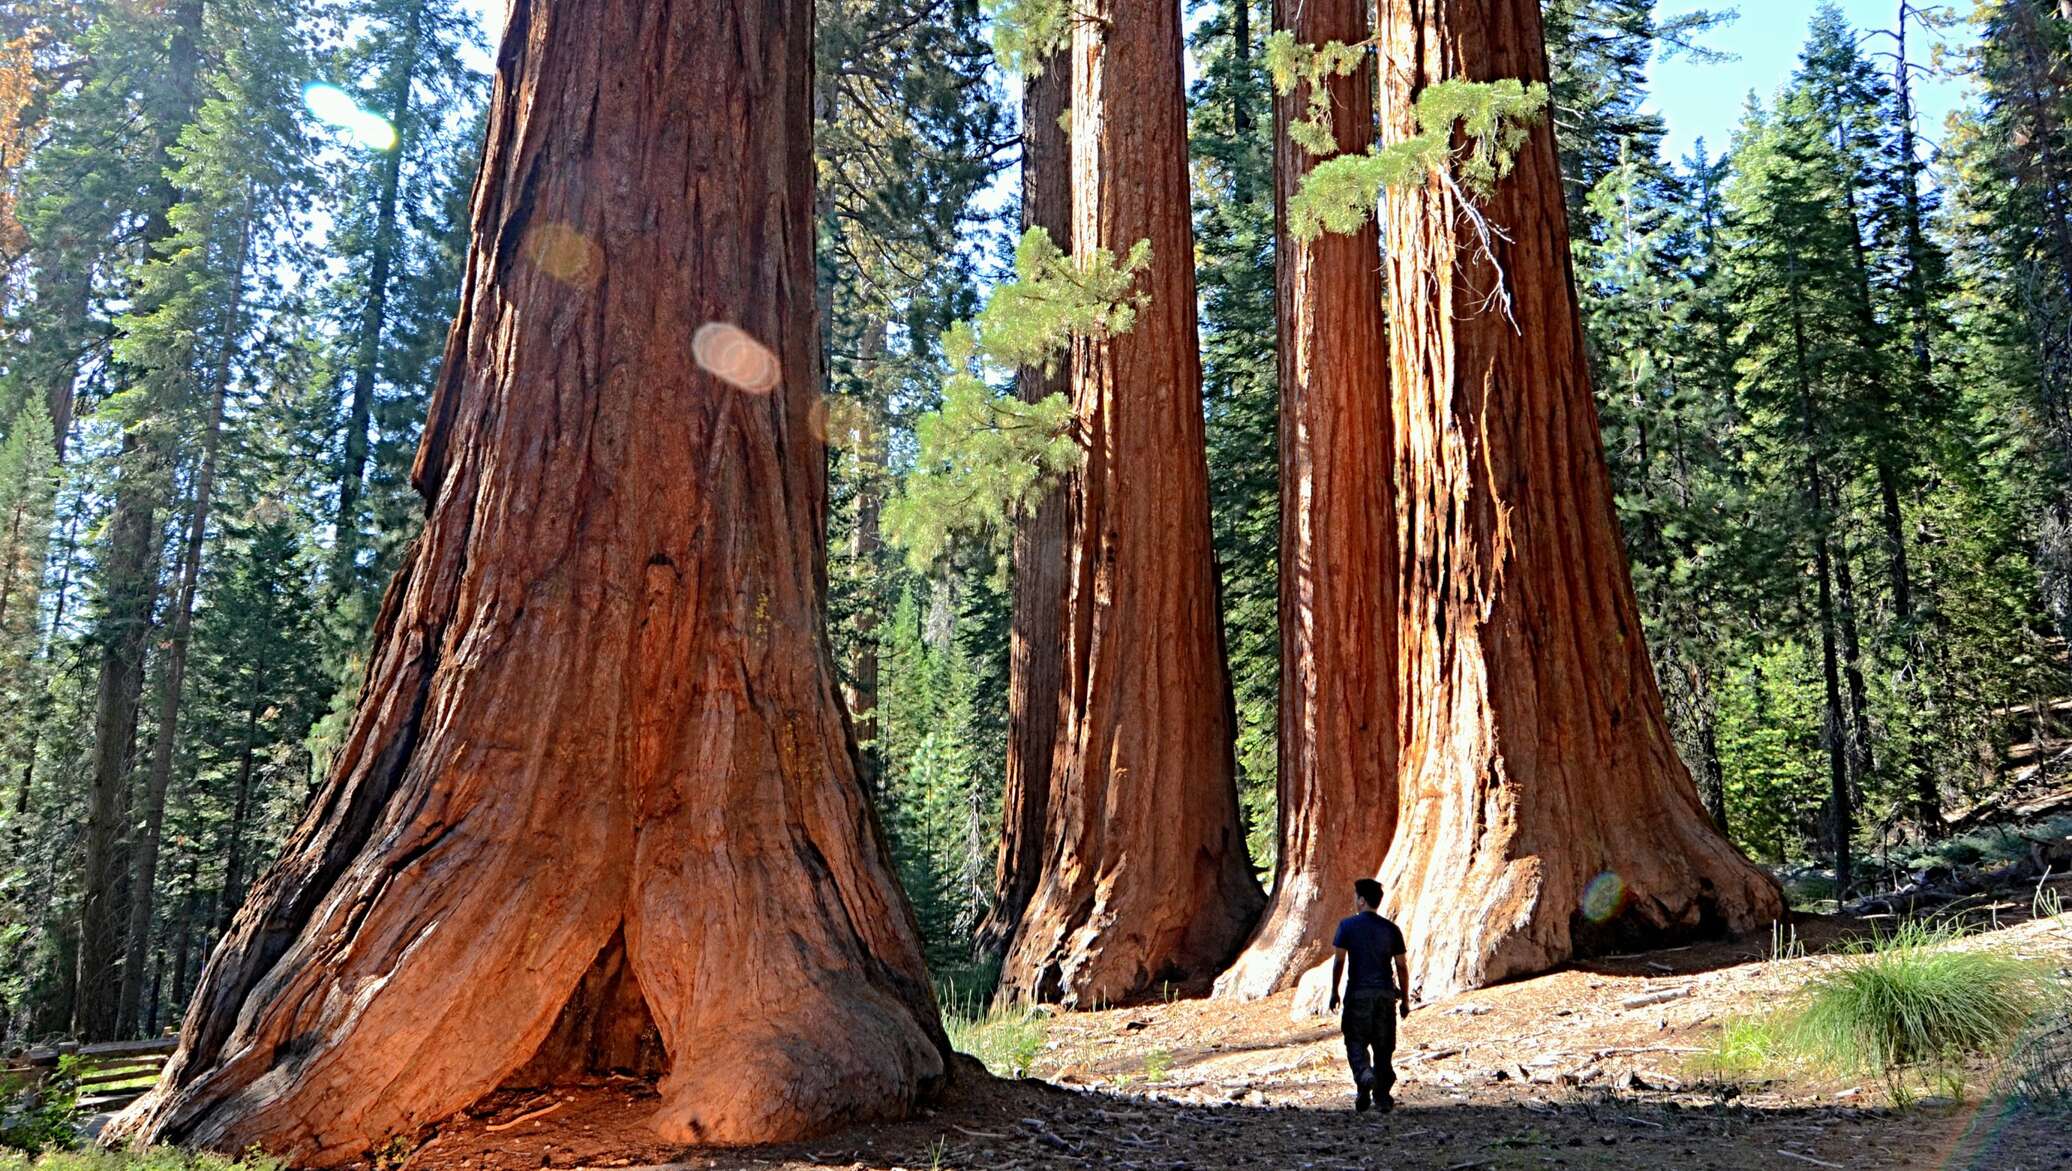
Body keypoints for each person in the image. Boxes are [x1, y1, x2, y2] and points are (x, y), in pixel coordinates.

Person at [1327, 877, 1411, 1113]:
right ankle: (1382, 1097)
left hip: (1358, 996)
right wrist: (1405, 999)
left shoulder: (1347, 926)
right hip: (1385, 996)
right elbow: (1401, 966)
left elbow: (1339, 961)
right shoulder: (1391, 929)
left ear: (1362, 900)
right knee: (1384, 1046)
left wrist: (1334, 991)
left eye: (1355, 897)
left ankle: (1364, 1075)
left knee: (1355, 1040)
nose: (1354, 901)